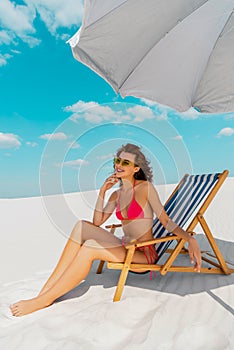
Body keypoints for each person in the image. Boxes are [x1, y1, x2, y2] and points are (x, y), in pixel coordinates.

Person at [10, 143, 202, 317]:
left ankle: (44, 300)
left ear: (136, 169)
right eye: (118, 160)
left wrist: (189, 239)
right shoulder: (116, 193)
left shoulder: (146, 188)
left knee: (90, 247)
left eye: (125, 162)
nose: (119, 165)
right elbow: (96, 222)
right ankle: (46, 290)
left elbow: (166, 221)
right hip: (125, 247)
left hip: (142, 255)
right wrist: (102, 192)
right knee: (82, 226)